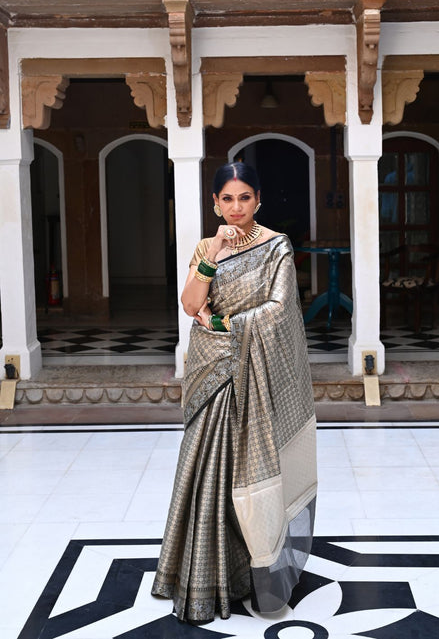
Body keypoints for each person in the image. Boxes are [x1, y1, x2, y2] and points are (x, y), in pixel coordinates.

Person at [151, 161, 317, 626]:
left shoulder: (276, 246)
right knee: (206, 468)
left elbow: (279, 310)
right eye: (228, 198)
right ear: (215, 203)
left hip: (254, 368)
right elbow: (190, 304)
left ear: (258, 200)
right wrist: (215, 252)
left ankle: (254, 567)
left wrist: (224, 323)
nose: (236, 206)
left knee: (250, 470)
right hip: (212, 371)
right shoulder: (206, 247)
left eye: (245, 197)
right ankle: (206, 571)